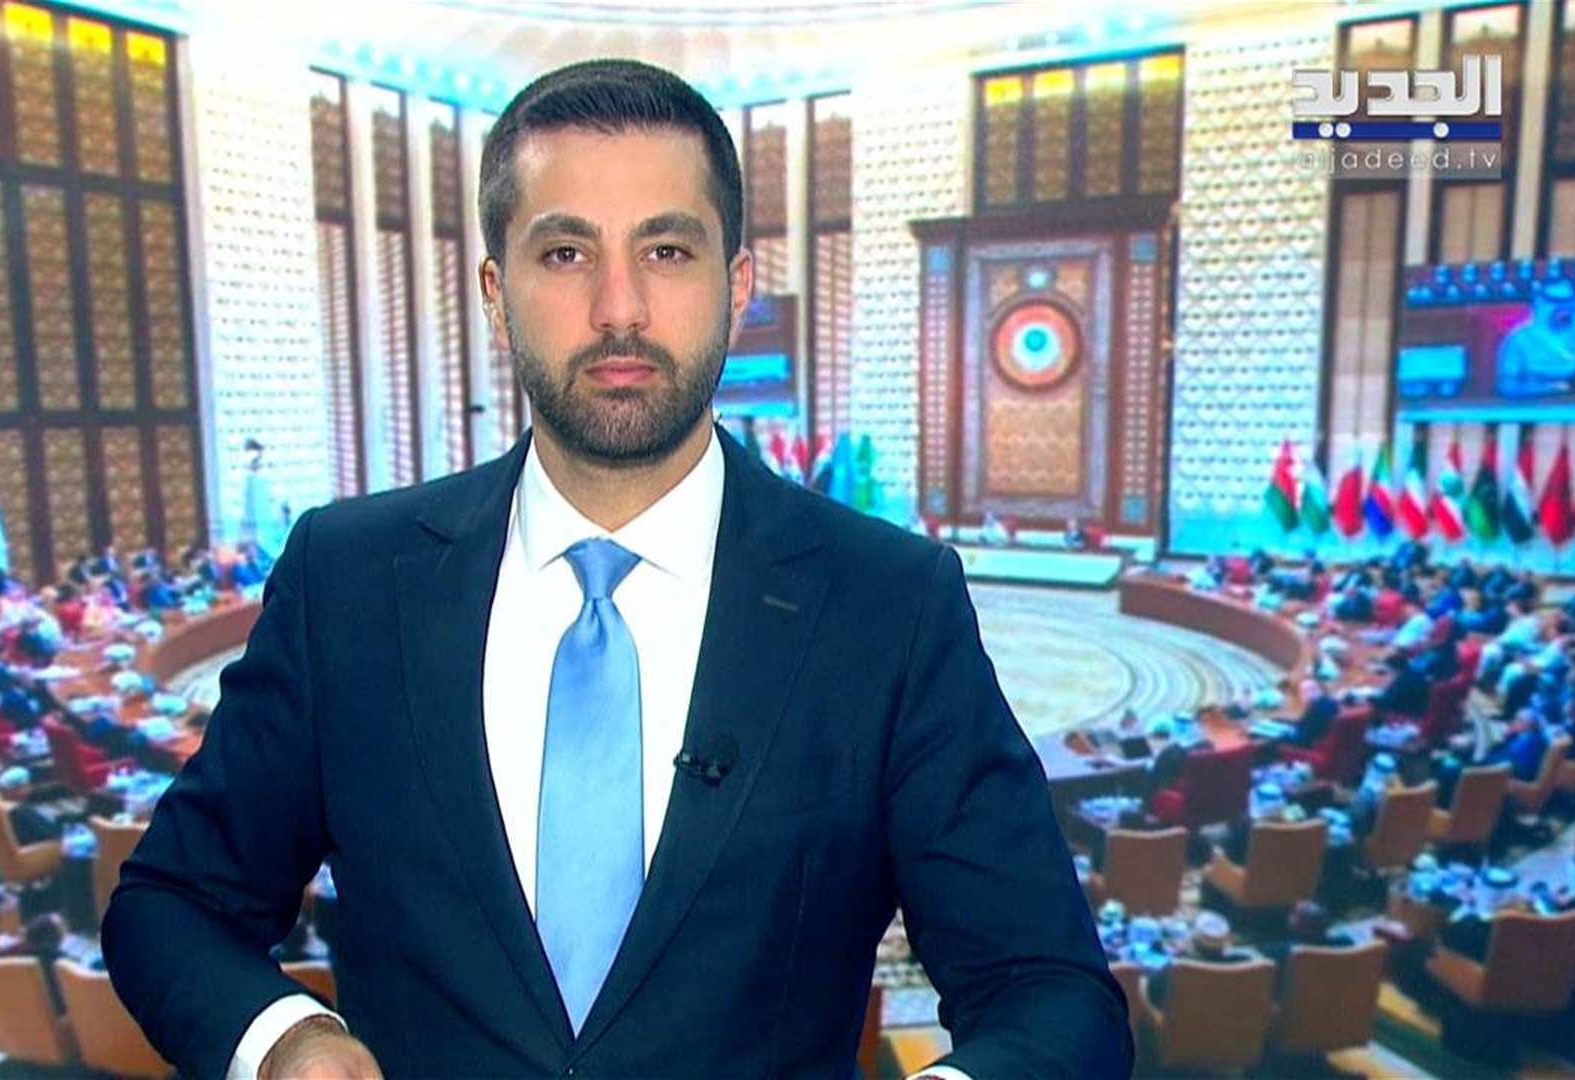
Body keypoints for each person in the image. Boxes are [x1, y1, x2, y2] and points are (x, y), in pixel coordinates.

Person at [103, 59, 1128, 1080]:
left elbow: (1052, 995)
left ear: (735, 287)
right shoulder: (347, 581)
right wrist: (284, 1042)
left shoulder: (890, 605)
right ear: (497, 295)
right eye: (565, 253)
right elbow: (172, 904)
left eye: (666, 250)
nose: (619, 307)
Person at [0, 767, 61, 847]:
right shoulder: (20, 812)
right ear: (13, 790)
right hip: (42, 848)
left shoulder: (1, 808)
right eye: (25, 785)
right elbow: (49, 834)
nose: (29, 788)